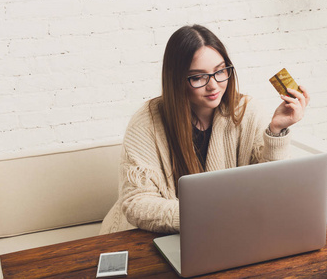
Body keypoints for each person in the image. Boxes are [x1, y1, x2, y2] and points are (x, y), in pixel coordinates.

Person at [100, 24, 310, 234]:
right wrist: (212, 215)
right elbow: (137, 203)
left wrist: (276, 130)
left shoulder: (247, 111)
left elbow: (271, 188)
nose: (214, 86)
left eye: (220, 71)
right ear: (176, 80)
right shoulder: (147, 122)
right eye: (198, 77)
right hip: (154, 237)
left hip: (224, 233)